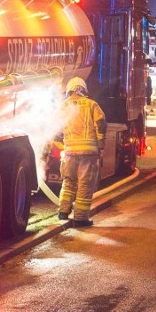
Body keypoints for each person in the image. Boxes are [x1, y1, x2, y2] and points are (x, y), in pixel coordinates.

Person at [58, 77, 107, 227]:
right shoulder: (92, 105)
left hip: (69, 152)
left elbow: (56, 127)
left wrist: (62, 143)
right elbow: (101, 124)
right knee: (85, 184)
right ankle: (80, 218)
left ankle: (63, 212)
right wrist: (101, 144)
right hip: (88, 152)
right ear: (83, 90)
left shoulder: (63, 106)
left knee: (68, 182)